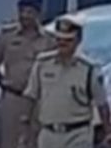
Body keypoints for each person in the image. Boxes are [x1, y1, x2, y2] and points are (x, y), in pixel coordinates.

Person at [23, 16, 111, 148]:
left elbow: (101, 103)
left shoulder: (88, 68)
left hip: (77, 133)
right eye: (59, 40)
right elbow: (31, 97)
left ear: (78, 41)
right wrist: (26, 130)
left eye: (68, 40)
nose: (62, 44)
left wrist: (108, 131)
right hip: (48, 133)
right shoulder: (42, 64)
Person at [0, 0, 56, 148]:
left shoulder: (49, 39)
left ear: (39, 14)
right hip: (13, 96)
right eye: (22, 11)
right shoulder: (7, 34)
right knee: (8, 141)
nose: (25, 16)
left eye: (29, 12)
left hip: (38, 100)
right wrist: (3, 84)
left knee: (35, 141)